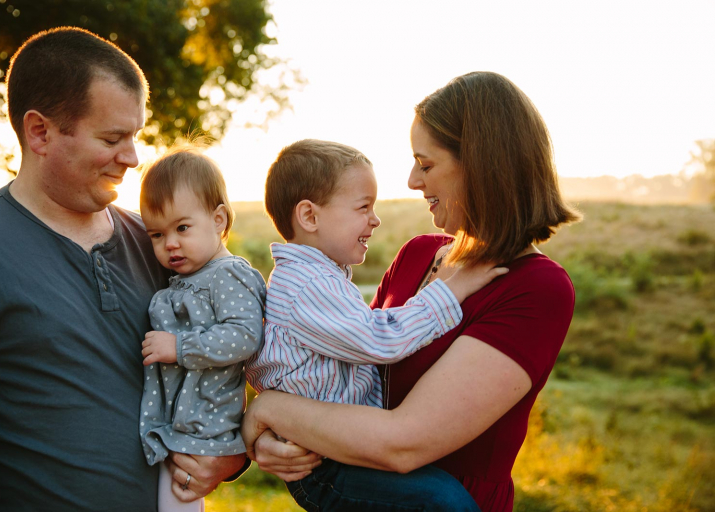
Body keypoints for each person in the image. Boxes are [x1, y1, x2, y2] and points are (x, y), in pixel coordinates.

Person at [241, 72, 581, 512]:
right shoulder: (418, 255)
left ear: (481, 164)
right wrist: (272, 435)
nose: (412, 181)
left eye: (426, 164)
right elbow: (339, 369)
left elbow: (402, 444)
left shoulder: (537, 288)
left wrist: (269, 410)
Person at [0, 28, 244, 512]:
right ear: (40, 132)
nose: (132, 157)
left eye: (135, 136)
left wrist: (234, 455)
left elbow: (225, 358)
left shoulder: (160, 245)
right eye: (112, 138)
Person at [246, 139, 506, 511]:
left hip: (338, 447)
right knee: (444, 502)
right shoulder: (306, 286)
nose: (375, 219)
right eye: (363, 207)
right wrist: (453, 289)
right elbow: (380, 338)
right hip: (325, 462)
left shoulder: (321, 277)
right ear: (310, 217)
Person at [138, 144, 266, 511]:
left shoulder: (228, 274)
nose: (170, 244)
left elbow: (244, 335)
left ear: (219, 220)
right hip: (179, 424)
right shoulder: (188, 276)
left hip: (204, 424)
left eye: (181, 227)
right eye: (157, 235)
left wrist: (178, 347)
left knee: (178, 499)